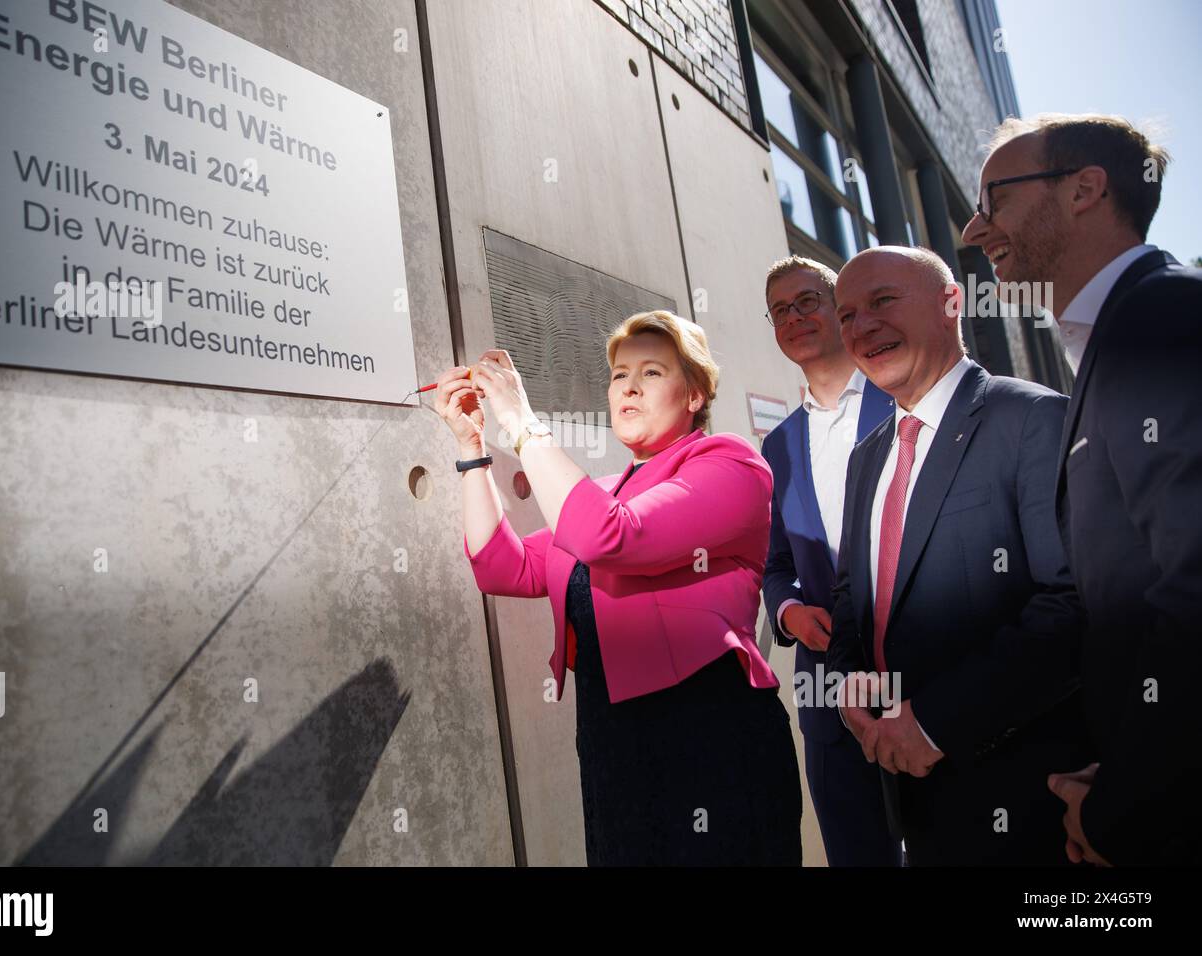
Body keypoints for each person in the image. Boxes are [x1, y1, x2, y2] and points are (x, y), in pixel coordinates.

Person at [435, 310, 801, 865]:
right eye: (618, 374)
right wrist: (472, 447)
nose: (628, 386)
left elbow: (610, 538)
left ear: (695, 394)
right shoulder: (600, 494)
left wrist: (522, 422)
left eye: (651, 372)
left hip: (708, 739)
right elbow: (501, 567)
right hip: (613, 747)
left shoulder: (730, 463)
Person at [963, 113, 1202, 865]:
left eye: (994, 197)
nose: (974, 229)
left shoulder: (1158, 318)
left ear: (1085, 189)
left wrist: (1128, 805)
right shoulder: (1113, 335)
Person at [825, 246, 1090, 865]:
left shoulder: (1032, 418)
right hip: (914, 799)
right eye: (847, 315)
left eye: (883, 301)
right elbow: (850, 596)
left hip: (1028, 800)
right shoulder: (868, 457)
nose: (861, 327)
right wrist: (847, 688)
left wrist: (935, 723)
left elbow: (1072, 600)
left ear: (952, 305)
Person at [759, 256, 900, 867]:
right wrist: (788, 612)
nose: (794, 318)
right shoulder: (778, 444)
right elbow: (775, 565)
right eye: (779, 311)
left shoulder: (905, 404)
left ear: (840, 307)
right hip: (826, 689)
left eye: (807, 301)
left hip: (922, 674)